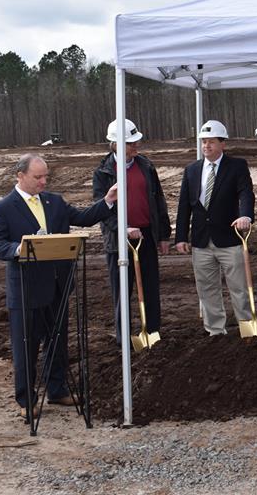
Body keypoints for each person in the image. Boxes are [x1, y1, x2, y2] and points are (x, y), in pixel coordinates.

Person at [0, 154, 117, 418]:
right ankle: (27, 401)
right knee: (27, 346)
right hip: (27, 289)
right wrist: (18, 249)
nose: (43, 182)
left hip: (58, 285)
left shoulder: (54, 201)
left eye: (46, 176)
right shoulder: (3, 208)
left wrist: (108, 202)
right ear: (20, 176)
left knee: (57, 341)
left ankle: (57, 390)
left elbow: (82, 217)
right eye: (38, 177)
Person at [92, 119, 171, 344]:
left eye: (136, 141)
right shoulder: (103, 173)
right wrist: (123, 229)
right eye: (130, 143)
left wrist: (164, 235)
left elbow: (159, 200)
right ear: (115, 144)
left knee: (150, 289)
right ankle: (123, 339)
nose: (136, 146)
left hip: (145, 236)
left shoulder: (146, 166)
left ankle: (153, 334)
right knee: (122, 293)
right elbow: (102, 210)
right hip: (118, 242)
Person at [174, 120, 255, 335]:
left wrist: (246, 215)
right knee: (207, 290)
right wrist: (181, 236)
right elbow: (184, 206)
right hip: (201, 241)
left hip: (229, 238)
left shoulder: (236, 166)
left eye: (211, 142)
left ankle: (246, 329)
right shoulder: (191, 170)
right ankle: (215, 332)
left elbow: (246, 192)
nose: (206, 146)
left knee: (239, 288)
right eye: (203, 142)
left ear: (222, 144)